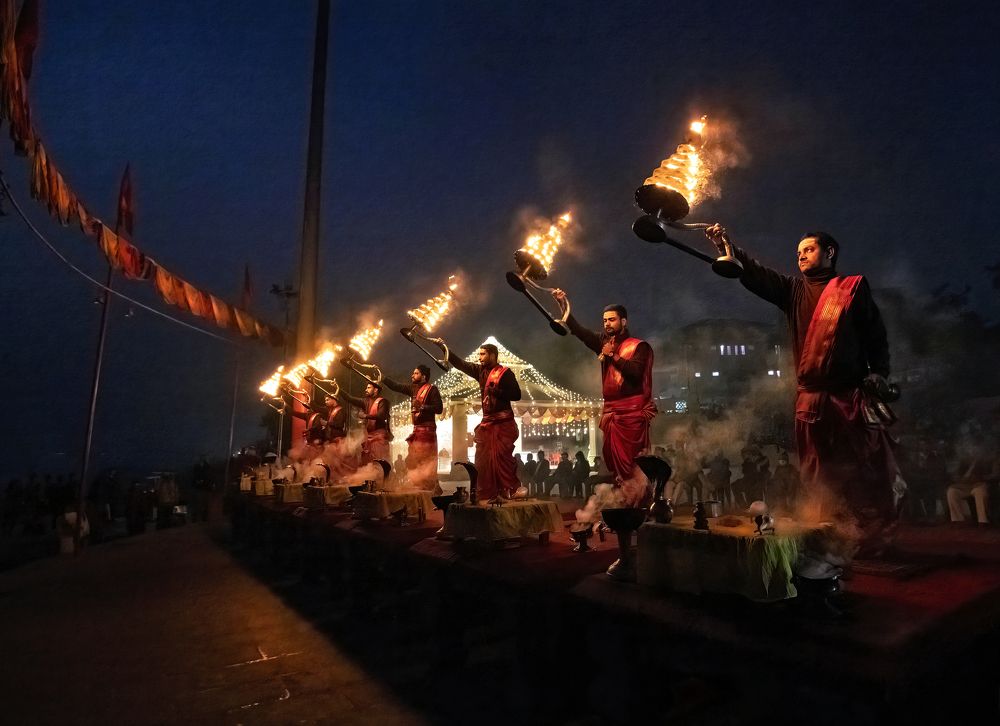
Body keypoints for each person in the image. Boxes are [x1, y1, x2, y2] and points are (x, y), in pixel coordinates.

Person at [705, 225, 902, 557]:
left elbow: (875, 336)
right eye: (798, 252)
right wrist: (726, 246)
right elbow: (754, 274)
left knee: (862, 466)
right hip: (811, 401)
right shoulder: (792, 291)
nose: (801, 256)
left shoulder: (851, 288)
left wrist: (879, 373)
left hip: (849, 397)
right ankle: (828, 533)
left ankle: (869, 536)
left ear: (829, 253)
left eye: (808, 250)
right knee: (818, 472)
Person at [553, 292, 657, 497]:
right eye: (604, 320)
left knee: (633, 462)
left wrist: (612, 355)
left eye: (612, 319)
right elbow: (580, 332)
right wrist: (564, 305)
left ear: (623, 321)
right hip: (611, 413)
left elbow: (635, 374)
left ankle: (639, 501)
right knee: (613, 462)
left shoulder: (639, 346)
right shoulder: (603, 341)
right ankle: (621, 500)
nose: (607, 324)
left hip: (632, 415)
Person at [447, 342, 522, 501]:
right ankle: (488, 492)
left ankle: (508, 490)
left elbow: (516, 395)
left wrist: (498, 392)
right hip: (487, 424)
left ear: (492, 355)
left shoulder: (505, 373)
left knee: (502, 458)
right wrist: (444, 348)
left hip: (502, 424)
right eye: (479, 354)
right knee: (482, 460)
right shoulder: (480, 371)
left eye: (482, 354)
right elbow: (461, 364)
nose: (479, 357)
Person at [383, 364, 445, 491]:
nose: (412, 375)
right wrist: (383, 378)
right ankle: (417, 485)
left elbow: (439, 408)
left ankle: (428, 488)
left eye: (416, 373)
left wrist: (422, 407)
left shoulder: (432, 389)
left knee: (426, 460)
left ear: (424, 376)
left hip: (427, 431)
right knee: (413, 460)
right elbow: (396, 386)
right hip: (416, 430)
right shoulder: (413, 389)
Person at [340, 381, 393, 466]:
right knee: (368, 461)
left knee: (379, 461)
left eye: (369, 388)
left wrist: (365, 416)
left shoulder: (383, 402)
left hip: (379, 436)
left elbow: (381, 415)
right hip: (369, 436)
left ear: (375, 390)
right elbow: (350, 398)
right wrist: (338, 389)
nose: (366, 389)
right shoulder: (365, 401)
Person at [946, 441, 995, 525]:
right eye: (971, 448)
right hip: (965, 486)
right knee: (952, 492)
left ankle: (982, 520)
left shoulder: (985, 461)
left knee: (980, 491)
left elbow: (991, 475)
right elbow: (959, 476)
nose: (973, 450)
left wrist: (981, 479)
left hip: (979, 485)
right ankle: (957, 519)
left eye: (975, 449)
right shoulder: (964, 462)